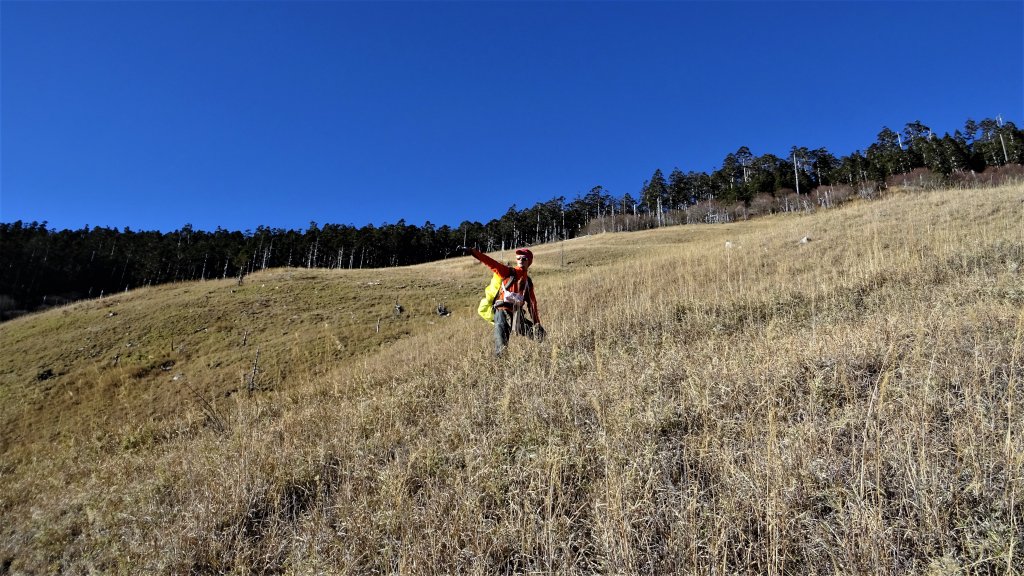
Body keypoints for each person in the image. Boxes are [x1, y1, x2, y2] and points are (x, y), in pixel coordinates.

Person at [463, 246, 544, 355]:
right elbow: (491, 263)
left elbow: (532, 305)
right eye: (518, 258)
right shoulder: (507, 272)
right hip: (501, 312)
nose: (520, 260)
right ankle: (499, 367)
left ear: (529, 262)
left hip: (517, 314)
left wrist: (537, 323)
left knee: (541, 335)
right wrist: (472, 252)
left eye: (524, 259)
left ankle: (547, 353)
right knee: (501, 347)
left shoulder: (528, 282)